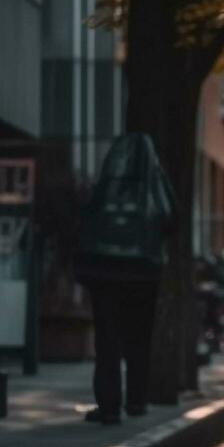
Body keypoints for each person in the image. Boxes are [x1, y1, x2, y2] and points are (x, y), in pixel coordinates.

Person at [75, 133, 177, 424]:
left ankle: (109, 407)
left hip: (105, 271)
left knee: (107, 340)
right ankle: (136, 401)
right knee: (139, 339)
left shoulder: (107, 181)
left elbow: (87, 219)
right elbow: (172, 216)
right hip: (144, 271)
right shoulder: (154, 180)